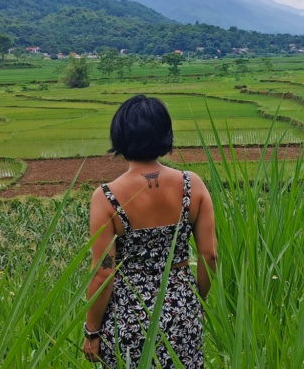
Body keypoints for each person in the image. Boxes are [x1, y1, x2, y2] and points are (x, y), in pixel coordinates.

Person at [83, 95, 218, 367]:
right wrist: (197, 301)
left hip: (127, 314)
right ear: (165, 135)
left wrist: (92, 330)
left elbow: (103, 272)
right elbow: (209, 256)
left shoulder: (106, 196)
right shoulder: (193, 185)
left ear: (120, 136)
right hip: (182, 307)